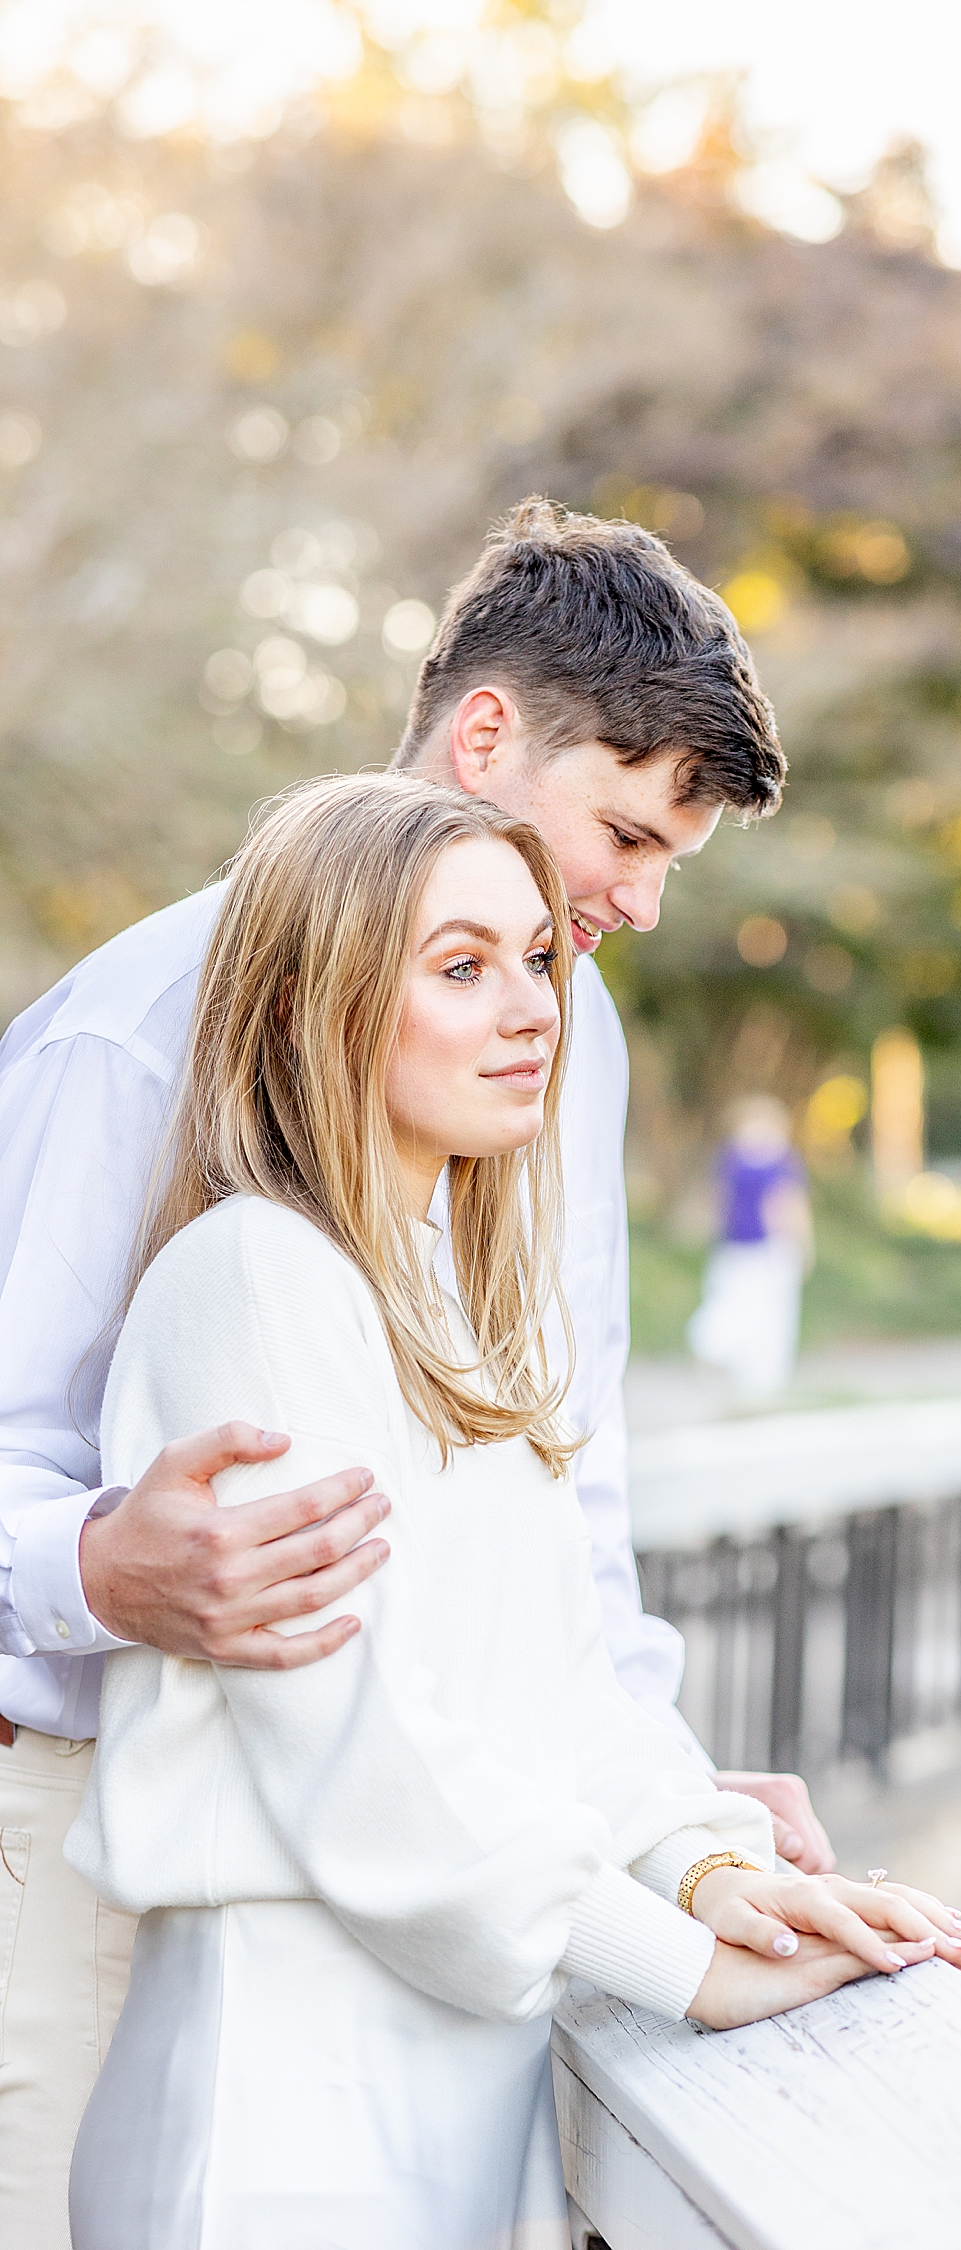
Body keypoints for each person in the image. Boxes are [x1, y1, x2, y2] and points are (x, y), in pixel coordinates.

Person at [0, 501, 832, 2245]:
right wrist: (88, 1564)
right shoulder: (124, 1034)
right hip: (70, 1821)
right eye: (623, 831)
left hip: (410, 1897)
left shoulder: (559, 1042)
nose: (637, 904)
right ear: (482, 739)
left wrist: (681, 1820)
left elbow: (551, 1501)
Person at [62, 776, 961, 2248]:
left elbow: (555, 1689)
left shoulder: (455, 1306)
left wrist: (712, 1865)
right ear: (317, 1006)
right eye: (463, 965)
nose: (534, 1009)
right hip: (278, 2098)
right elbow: (355, 1746)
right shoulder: (254, 1277)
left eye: (538, 959)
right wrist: (683, 1967)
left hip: (452, 2084)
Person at [688, 1095, 812, 1399]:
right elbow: (789, 1207)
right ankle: (747, 1372)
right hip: (757, 1251)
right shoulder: (774, 1164)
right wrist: (802, 1244)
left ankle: (748, 1375)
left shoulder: (733, 1161)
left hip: (746, 1249)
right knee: (759, 1313)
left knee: (755, 1312)